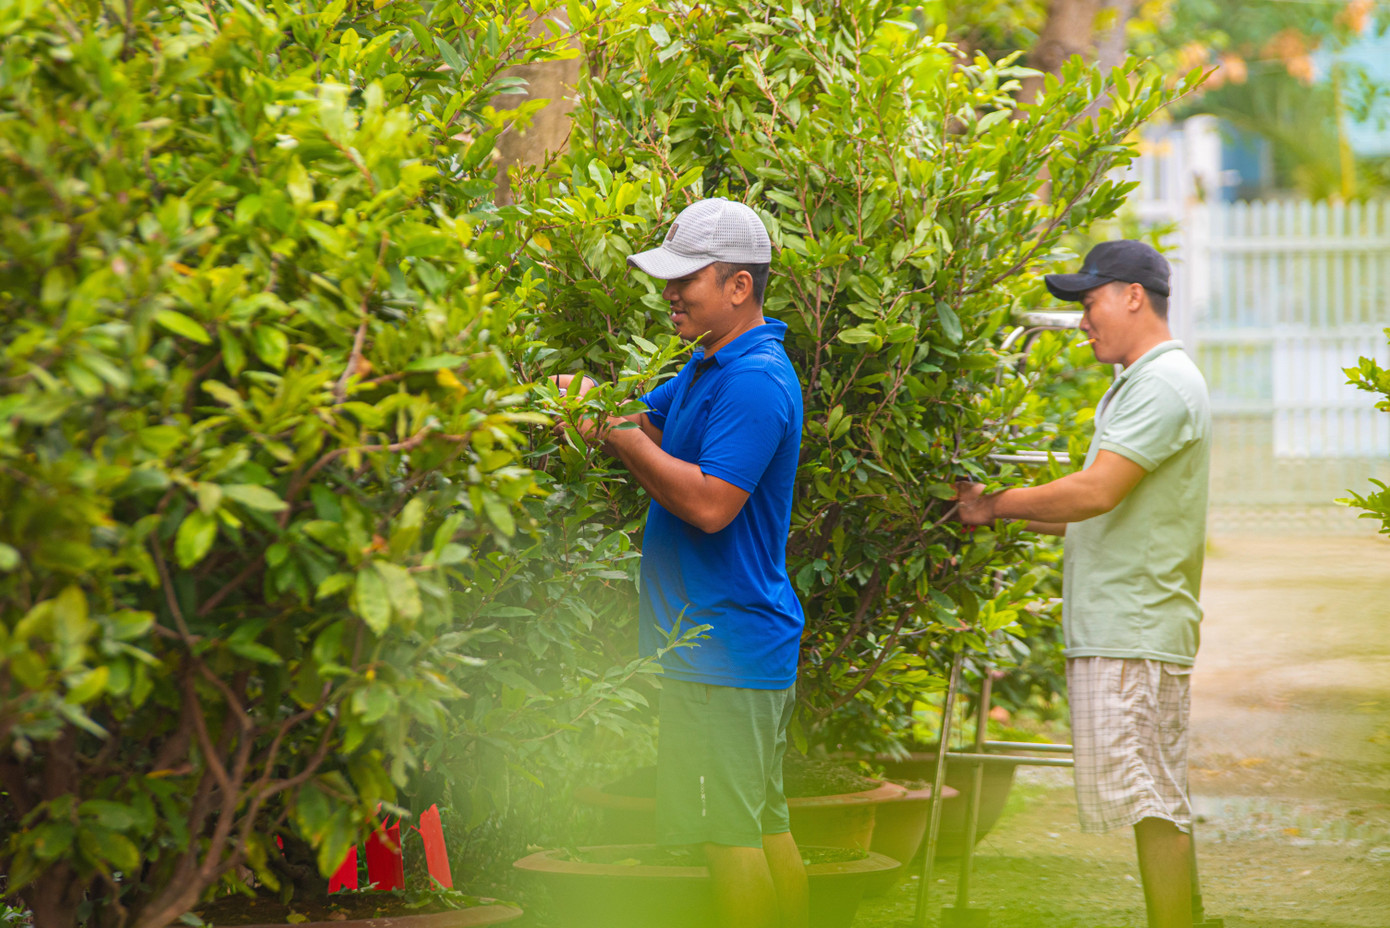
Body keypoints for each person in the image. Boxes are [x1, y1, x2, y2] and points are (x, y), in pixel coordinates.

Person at [552, 197, 808, 928]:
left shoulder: (754, 379)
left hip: (722, 644)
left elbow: (710, 504)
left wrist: (627, 442)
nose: (670, 293)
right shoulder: (710, 365)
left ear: (738, 286)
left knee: (725, 838)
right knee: (762, 823)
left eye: (686, 279)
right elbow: (642, 417)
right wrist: (589, 407)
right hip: (727, 644)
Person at [955, 241, 1211, 928]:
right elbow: (1100, 515)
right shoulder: (1143, 382)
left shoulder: (1162, 384)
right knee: (1156, 795)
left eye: (1090, 302)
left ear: (1133, 295)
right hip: (1131, 621)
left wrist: (993, 504)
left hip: (1134, 627)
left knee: (1150, 801)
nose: (1082, 321)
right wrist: (1000, 509)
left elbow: (1096, 493)